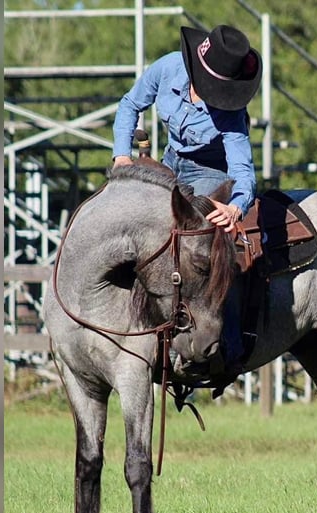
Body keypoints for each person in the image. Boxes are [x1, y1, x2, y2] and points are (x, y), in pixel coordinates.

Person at [112, 24, 263, 380]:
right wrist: (122, 155)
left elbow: (243, 170)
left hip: (211, 173)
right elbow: (130, 104)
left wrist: (236, 205)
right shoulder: (166, 69)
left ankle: (225, 342)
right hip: (169, 162)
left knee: (205, 243)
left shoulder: (231, 113)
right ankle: (130, 328)